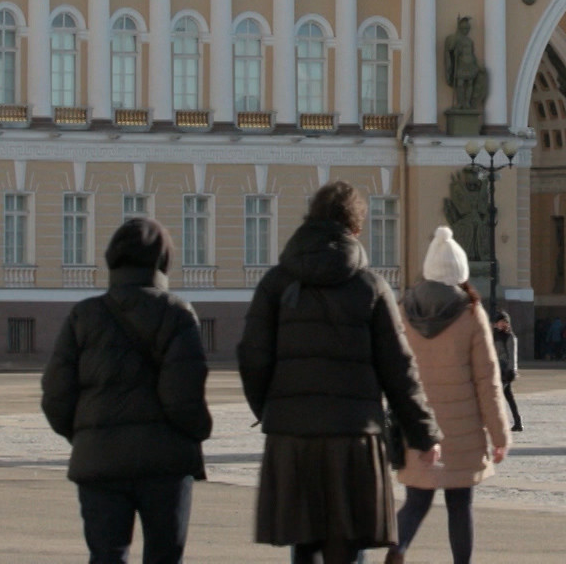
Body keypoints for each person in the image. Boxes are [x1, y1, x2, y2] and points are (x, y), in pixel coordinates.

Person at [238, 182, 442, 564]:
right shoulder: (370, 286)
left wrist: (270, 409)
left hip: (293, 436)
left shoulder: (275, 283)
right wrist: (423, 432)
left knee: (305, 543)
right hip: (353, 438)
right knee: (347, 548)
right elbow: (398, 368)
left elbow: (251, 356)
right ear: (356, 227)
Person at [41, 217, 213, 564]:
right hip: (165, 463)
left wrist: (87, 436)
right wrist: (199, 432)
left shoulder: (84, 315)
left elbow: (56, 395)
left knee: (106, 556)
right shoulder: (177, 314)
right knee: (165, 557)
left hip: (100, 461)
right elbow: (184, 397)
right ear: (162, 261)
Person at [390, 227, 510, 564]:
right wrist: (499, 435)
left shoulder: (404, 311)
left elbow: (395, 370)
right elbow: (487, 380)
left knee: (416, 502)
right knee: (460, 505)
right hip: (462, 430)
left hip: (417, 426)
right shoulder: (471, 314)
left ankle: (395, 550)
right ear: (460, 272)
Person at [491, 311, 522, 432]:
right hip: (495, 370)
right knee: (508, 396)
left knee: (496, 396)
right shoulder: (493, 336)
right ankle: (517, 422)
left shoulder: (509, 337)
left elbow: (512, 355)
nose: (503, 324)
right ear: (496, 323)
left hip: (504, 371)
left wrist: (511, 371)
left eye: (506, 322)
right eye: (501, 321)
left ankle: (498, 423)